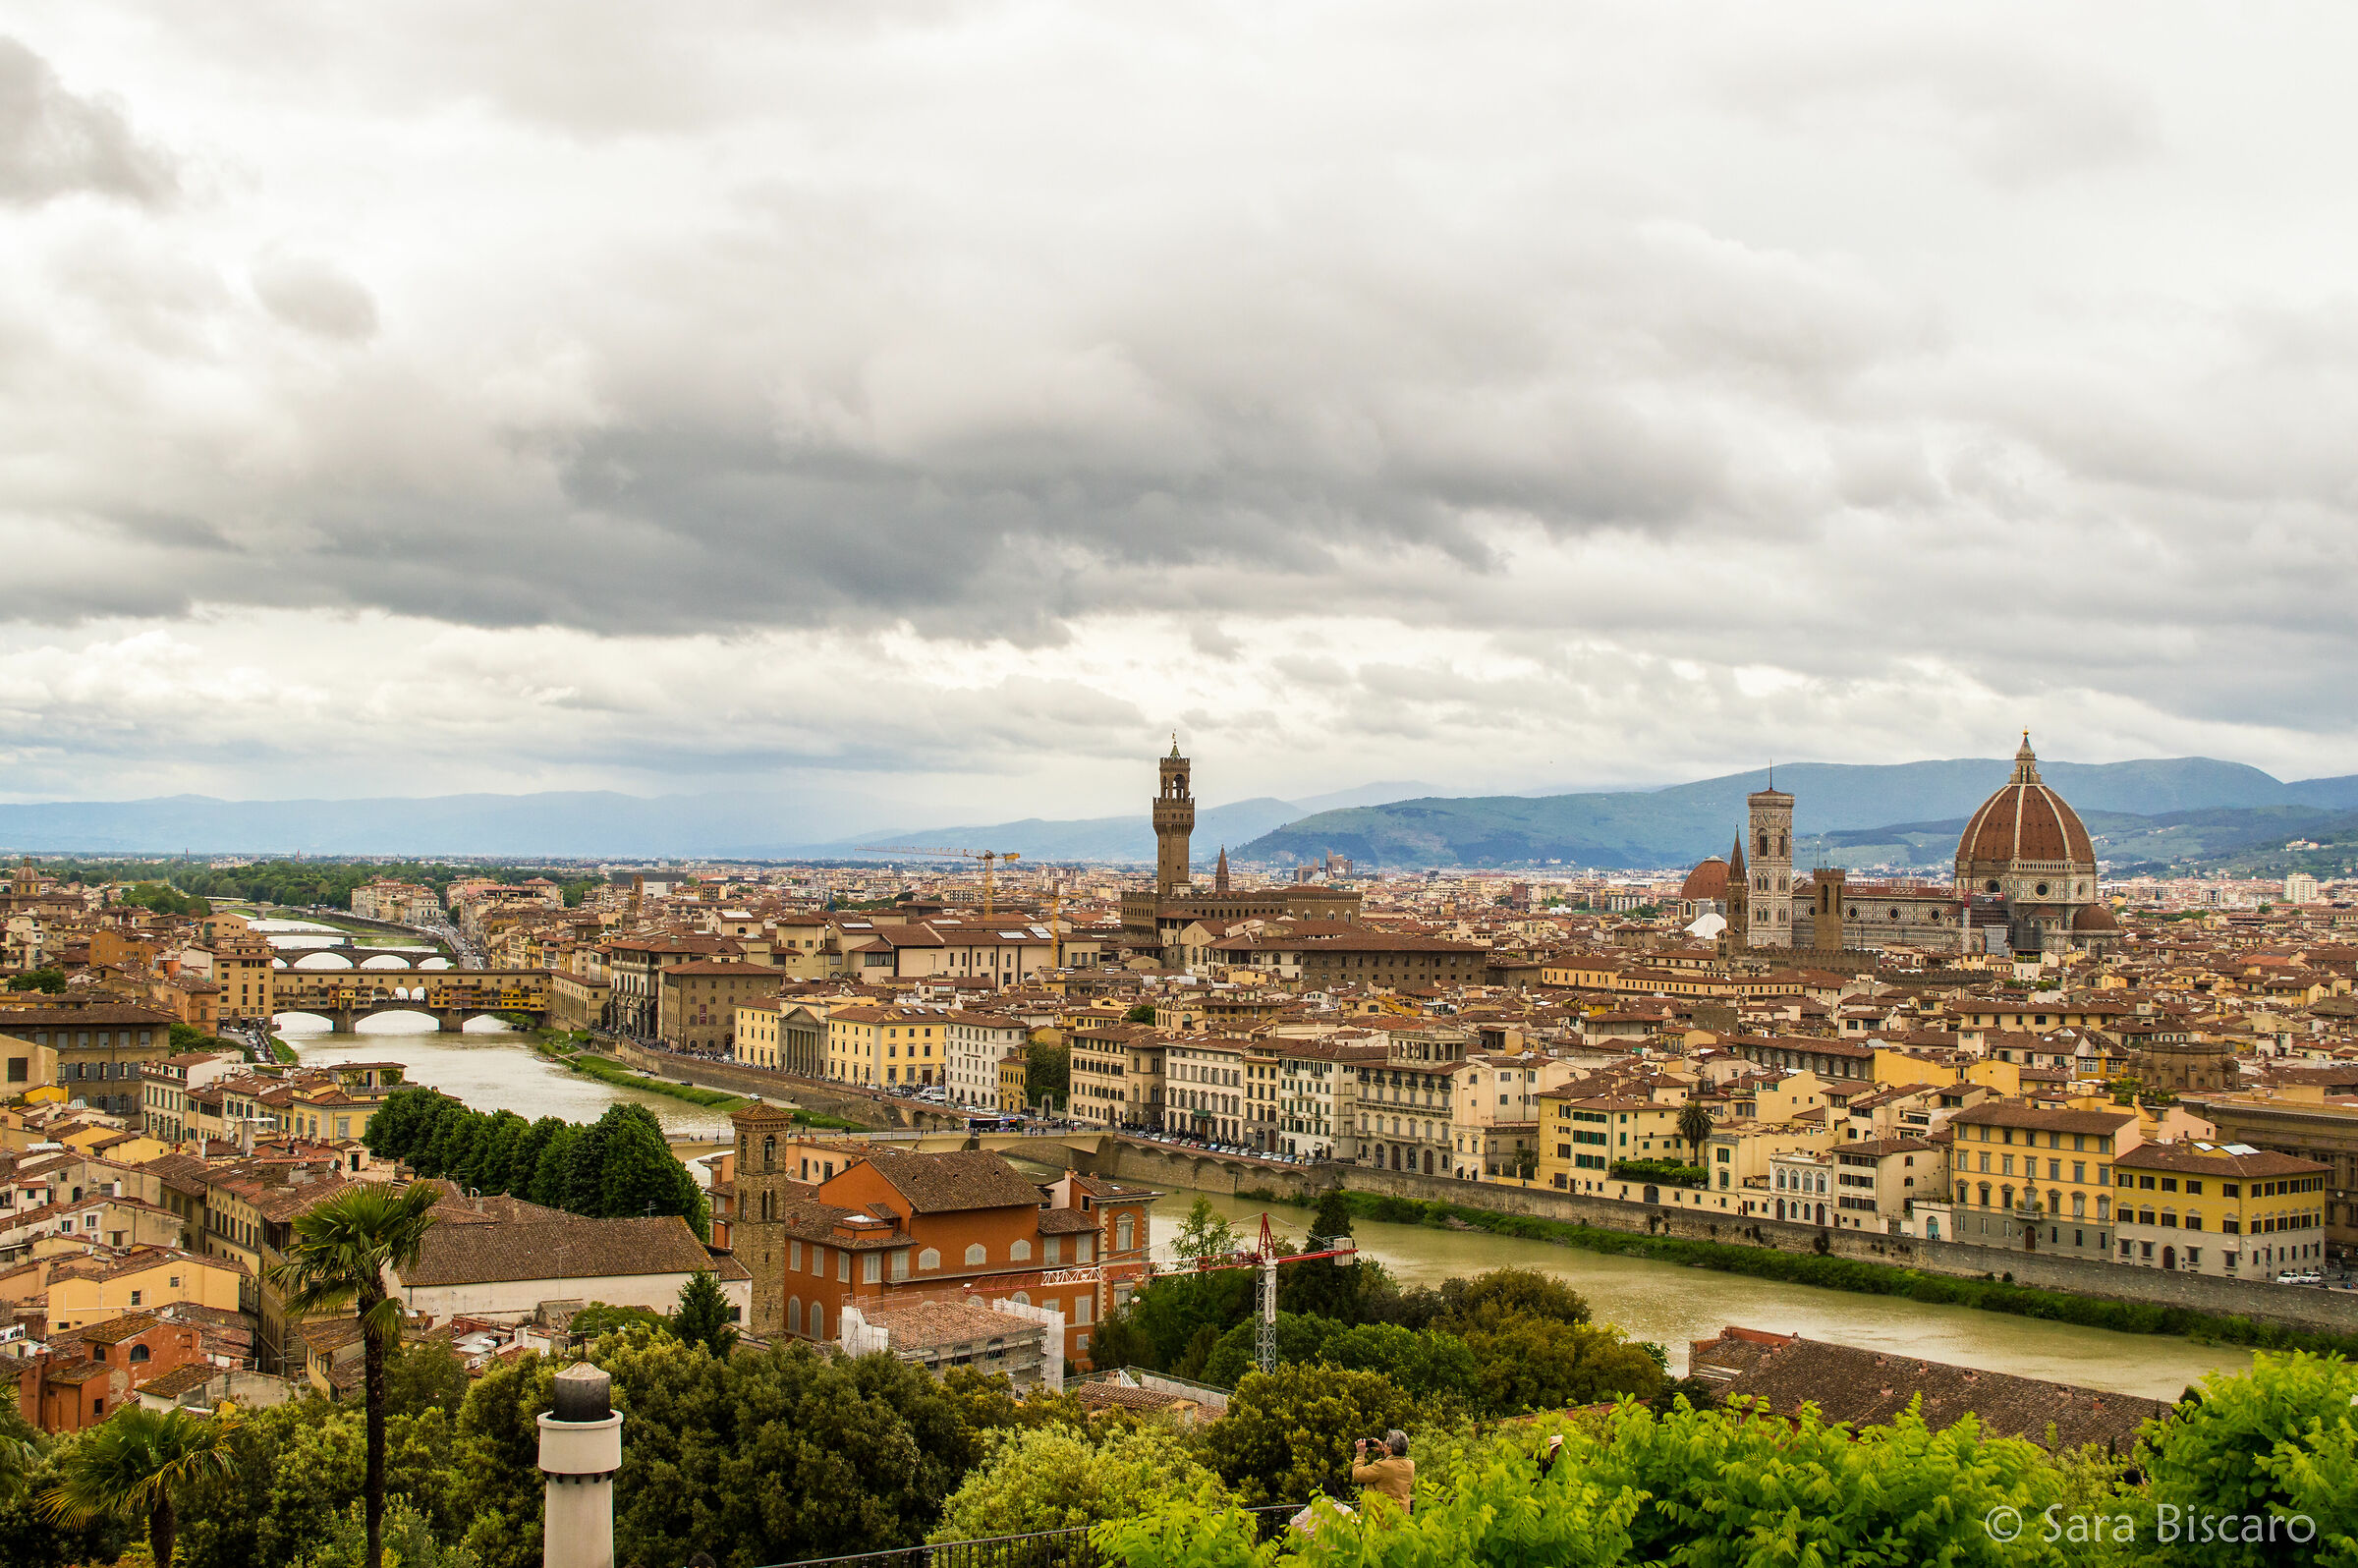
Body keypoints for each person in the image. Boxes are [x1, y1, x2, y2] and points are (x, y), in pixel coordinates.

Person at [1351, 1429, 1414, 1515]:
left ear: (1390, 1449)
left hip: (1382, 1519)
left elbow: (1358, 1474)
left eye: (1385, 1444)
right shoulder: (1410, 1465)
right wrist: (1384, 1451)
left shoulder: (1382, 1467)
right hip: (1401, 1515)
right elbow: (1393, 1464)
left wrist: (1360, 1454)